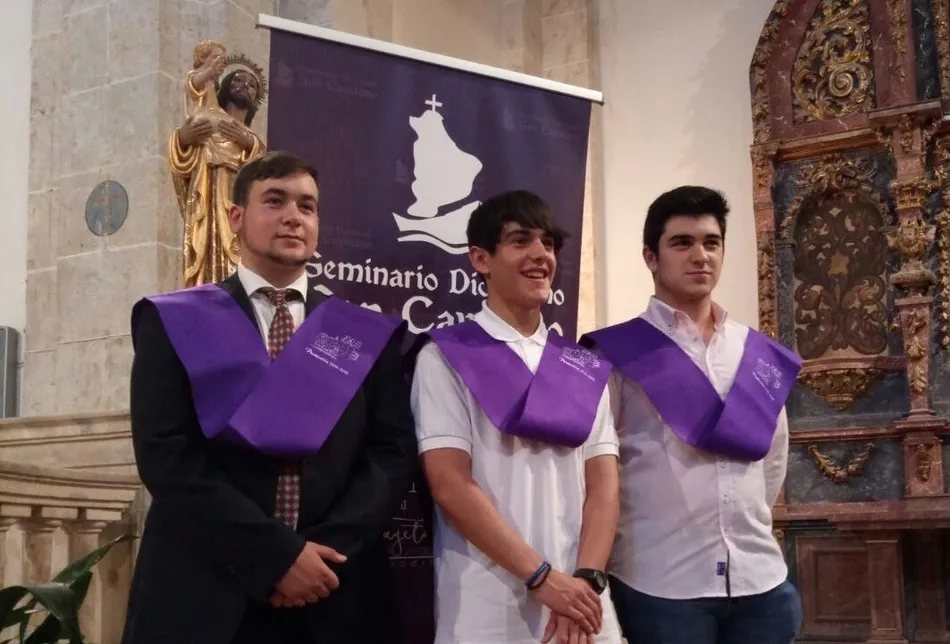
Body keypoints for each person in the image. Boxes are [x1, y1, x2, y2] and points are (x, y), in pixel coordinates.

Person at [121, 151, 418, 644]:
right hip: (206, 587)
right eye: (275, 201)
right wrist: (277, 556)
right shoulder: (175, 320)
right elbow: (166, 456)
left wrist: (321, 555)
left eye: (307, 206)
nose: (293, 217)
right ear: (235, 217)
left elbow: (391, 454)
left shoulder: (362, 334)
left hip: (333, 588)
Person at [580, 186, 804, 644]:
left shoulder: (756, 353)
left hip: (761, 581)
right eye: (682, 243)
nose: (700, 255)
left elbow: (772, 457)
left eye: (711, 242)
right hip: (661, 583)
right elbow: (597, 467)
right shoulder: (615, 353)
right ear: (651, 256)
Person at [411, 190, 624, 644]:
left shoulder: (582, 365)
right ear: (481, 259)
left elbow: (603, 488)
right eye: (521, 240)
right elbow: (450, 484)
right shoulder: (446, 356)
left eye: (548, 243)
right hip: (488, 610)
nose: (540, 254)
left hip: (582, 607)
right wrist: (542, 578)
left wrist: (585, 580)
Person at [169, 45, 267, 287]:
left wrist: (248, 142)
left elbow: (264, 173)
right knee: (205, 244)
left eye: (252, 85)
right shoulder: (211, 114)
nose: (245, 85)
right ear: (225, 86)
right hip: (207, 189)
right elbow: (194, 87)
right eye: (238, 80)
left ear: (255, 99)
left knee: (239, 253)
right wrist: (184, 138)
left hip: (238, 201)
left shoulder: (254, 141)